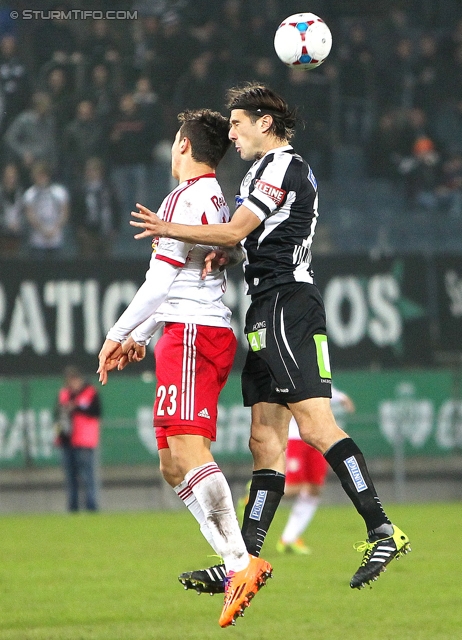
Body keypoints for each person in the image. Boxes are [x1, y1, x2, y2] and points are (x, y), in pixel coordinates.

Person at [129, 82, 411, 592]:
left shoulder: (281, 166)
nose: (231, 133)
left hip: (287, 304)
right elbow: (249, 238)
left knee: (317, 425)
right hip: (266, 306)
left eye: (237, 123)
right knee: (265, 441)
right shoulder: (263, 172)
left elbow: (236, 229)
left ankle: (382, 528)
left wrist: (173, 229)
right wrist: (230, 253)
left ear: (264, 122)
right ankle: (244, 564)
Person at [96, 109, 272, 628]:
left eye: (175, 139)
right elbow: (181, 280)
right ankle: (235, 562)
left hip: (195, 334)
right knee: (173, 464)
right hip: (185, 332)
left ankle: (241, 563)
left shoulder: (183, 198)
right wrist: (144, 336)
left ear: (182, 146)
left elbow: (159, 282)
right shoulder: (216, 196)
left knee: (191, 452)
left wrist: (117, 335)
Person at [277, 387, 356, 555]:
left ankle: (289, 538)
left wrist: (341, 397)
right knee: (293, 487)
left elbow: (323, 387)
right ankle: (256, 494)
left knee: (314, 489)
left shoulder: (317, 366)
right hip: (296, 437)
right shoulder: (291, 368)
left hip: (319, 437)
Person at [54, 365, 101, 512]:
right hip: (67, 440)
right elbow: (56, 414)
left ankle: (91, 505)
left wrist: (77, 407)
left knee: (88, 476)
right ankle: (73, 506)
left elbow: (96, 412)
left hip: (85, 440)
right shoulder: (64, 394)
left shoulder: (90, 392)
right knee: (71, 477)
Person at [23, 160, 69, 259]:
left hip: (56, 238)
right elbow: (30, 215)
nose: (40, 178)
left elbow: (64, 213)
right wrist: (43, 231)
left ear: (47, 176)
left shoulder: (59, 192)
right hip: (37, 240)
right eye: (37, 175)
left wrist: (55, 229)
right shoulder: (29, 194)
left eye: (42, 175)